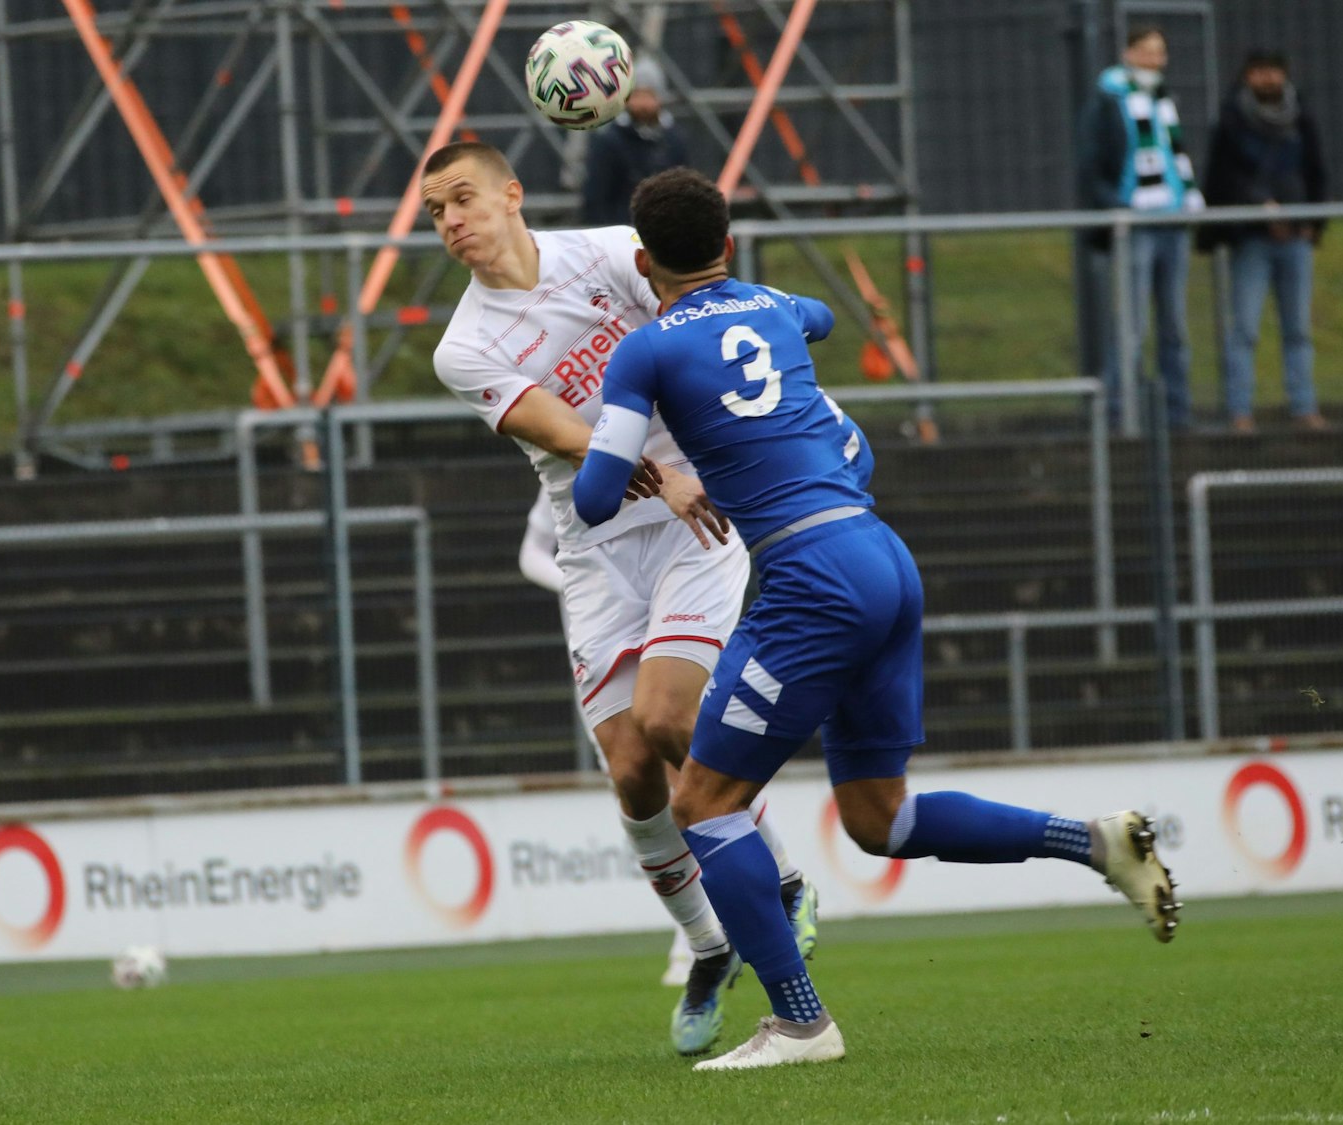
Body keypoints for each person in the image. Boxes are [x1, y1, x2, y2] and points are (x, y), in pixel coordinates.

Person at [572, 168, 1180, 1070]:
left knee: (701, 803)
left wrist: (650, 452)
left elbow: (592, 497)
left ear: (641, 260)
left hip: (811, 580)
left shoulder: (645, 350)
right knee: (878, 817)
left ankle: (800, 1023)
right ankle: (1094, 842)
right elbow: (819, 314)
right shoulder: (777, 308)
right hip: (882, 557)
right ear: (728, 245)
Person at [425, 142, 820, 1055]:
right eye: (437, 211)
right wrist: (652, 471)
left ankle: (786, 880)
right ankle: (708, 945)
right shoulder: (463, 344)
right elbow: (564, 431)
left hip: (695, 521)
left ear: (512, 195)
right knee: (631, 766)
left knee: (671, 718)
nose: (451, 221)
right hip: (595, 547)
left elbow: (710, 315)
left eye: (464, 198)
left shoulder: (609, 253)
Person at [1078, 27, 1205, 430]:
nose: (1154, 60)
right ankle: (1120, 416)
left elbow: (1174, 156)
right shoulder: (1107, 101)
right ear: (1128, 54)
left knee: (1175, 326)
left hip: (1172, 221)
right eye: (1146, 52)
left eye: (1159, 52)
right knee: (1132, 326)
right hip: (1134, 224)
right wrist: (1118, 206)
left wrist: (1188, 195)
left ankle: (1177, 415)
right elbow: (1091, 164)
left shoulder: (1163, 100)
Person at [1199, 50, 1329, 433]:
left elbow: (1316, 171)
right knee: (1245, 329)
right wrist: (1259, 208)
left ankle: (1304, 407)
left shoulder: (1301, 117)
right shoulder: (1231, 120)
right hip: (1251, 239)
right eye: (1259, 72)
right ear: (1247, 76)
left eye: (1273, 72)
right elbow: (1223, 178)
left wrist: (1313, 222)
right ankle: (1240, 412)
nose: (1267, 79)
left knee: (1298, 329)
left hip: (1297, 238)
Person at [580, 59, 689, 227]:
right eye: (637, 96)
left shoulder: (674, 140)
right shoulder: (609, 141)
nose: (642, 104)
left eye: (649, 96)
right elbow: (596, 196)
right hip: (620, 231)